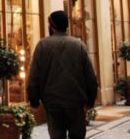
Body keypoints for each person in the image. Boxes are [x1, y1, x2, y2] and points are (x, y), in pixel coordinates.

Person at [27, 10, 98, 139]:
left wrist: (34, 100)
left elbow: (34, 76)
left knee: (56, 135)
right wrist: (90, 101)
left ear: (52, 25)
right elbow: (90, 77)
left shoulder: (43, 45)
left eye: (49, 23)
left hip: (53, 103)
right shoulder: (79, 45)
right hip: (75, 103)